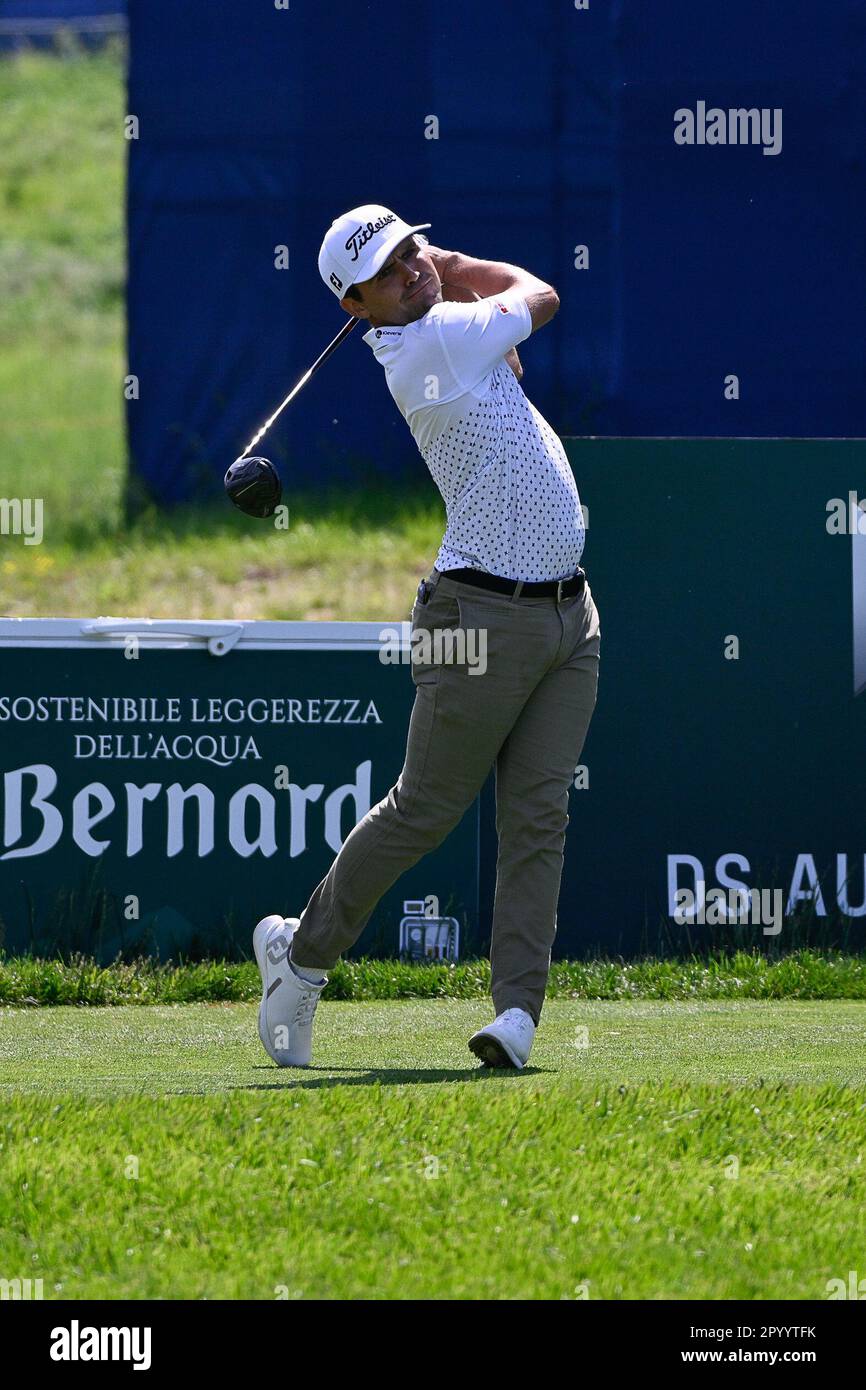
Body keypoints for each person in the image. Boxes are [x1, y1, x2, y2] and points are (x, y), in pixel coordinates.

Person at [253, 204, 600, 1071]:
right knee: (424, 811)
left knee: (538, 819)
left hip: (570, 617)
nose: (413, 270)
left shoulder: (440, 327)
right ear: (358, 309)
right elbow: (545, 296)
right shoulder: (432, 342)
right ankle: (301, 958)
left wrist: (444, 265)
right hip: (473, 618)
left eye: (413, 251)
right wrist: (459, 259)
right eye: (390, 272)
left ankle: (516, 1015)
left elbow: (507, 304)